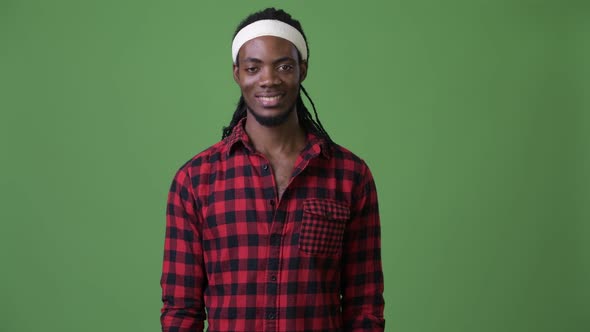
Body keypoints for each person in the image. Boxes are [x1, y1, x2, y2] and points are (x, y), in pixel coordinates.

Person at [160, 7, 385, 332]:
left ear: (302, 70)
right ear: (237, 74)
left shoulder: (350, 176)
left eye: (284, 66)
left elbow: (364, 307)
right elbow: (181, 312)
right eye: (254, 68)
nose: (269, 79)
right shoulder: (195, 181)